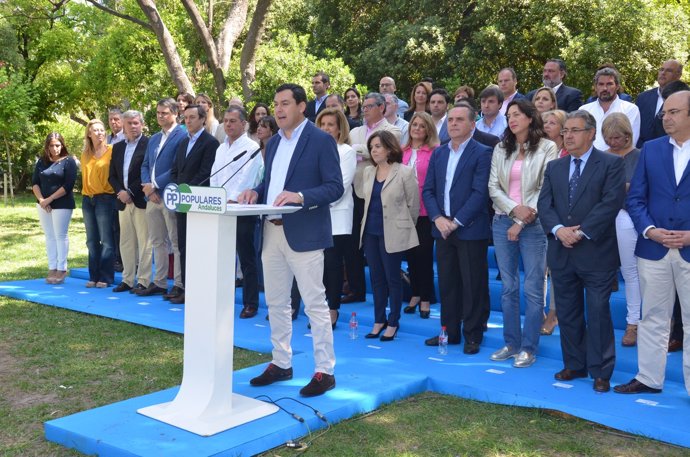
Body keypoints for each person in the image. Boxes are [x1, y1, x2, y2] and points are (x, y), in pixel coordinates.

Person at [238, 83, 343, 397]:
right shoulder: (273, 144)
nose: (278, 110)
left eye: (285, 103)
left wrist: (300, 197)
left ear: (301, 106)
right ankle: (281, 362)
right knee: (276, 303)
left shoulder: (321, 141)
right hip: (271, 231)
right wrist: (256, 192)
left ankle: (325, 371)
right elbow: (272, 183)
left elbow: (335, 187)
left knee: (314, 304)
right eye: (276, 104)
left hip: (305, 232)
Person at [537, 110, 625, 393]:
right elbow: (544, 206)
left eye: (575, 130)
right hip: (562, 251)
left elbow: (611, 203)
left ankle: (601, 371)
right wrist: (559, 229)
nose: (569, 136)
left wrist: (581, 231)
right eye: (566, 131)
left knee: (598, 312)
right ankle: (574, 364)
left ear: (591, 133)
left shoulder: (611, 164)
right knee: (568, 310)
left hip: (596, 251)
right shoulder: (555, 167)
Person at [615, 90, 690, 395]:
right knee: (653, 317)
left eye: (673, 112)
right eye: (665, 113)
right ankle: (648, 378)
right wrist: (649, 230)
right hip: (654, 247)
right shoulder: (652, 149)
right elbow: (635, 198)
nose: (665, 118)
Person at [488, 99, 558, 368]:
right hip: (502, 219)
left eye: (516, 114)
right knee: (508, 287)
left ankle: (529, 347)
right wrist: (514, 210)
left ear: (530, 117)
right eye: (508, 116)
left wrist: (523, 218)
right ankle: (511, 343)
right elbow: (493, 187)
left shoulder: (547, 147)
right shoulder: (500, 148)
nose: (511, 119)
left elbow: (545, 188)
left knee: (532, 287)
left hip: (535, 224)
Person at [422, 104, 492, 354]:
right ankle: (449, 332)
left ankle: (473, 335)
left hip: (469, 228)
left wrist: (456, 221)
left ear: (472, 124)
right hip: (442, 229)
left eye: (459, 120)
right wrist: (438, 218)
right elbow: (428, 190)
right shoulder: (439, 153)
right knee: (448, 282)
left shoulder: (483, 152)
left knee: (472, 283)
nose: (453, 124)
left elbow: (480, 192)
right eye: (450, 119)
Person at [360, 130, 419, 341]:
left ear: (389, 148)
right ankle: (378, 320)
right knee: (376, 279)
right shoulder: (368, 172)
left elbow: (413, 206)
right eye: (371, 147)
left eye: (377, 146)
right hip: (370, 232)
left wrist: (403, 228)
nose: (373, 150)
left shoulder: (404, 172)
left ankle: (393, 321)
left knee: (393, 279)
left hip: (393, 233)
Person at [346, 92, 403, 304]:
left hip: (380, 194)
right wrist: (361, 152)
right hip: (355, 191)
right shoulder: (355, 131)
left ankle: (389, 294)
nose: (365, 110)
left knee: (380, 249)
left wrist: (358, 150)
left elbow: (388, 151)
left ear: (382, 107)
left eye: (370, 106)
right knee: (353, 245)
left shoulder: (393, 130)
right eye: (365, 107)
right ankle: (355, 289)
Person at [210, 106, 263, 318]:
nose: (228, 124)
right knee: (221, 257)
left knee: (246, 258)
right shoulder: (221, 148)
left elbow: (247, 179)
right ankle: (221, 300)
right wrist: (215, 198)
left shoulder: (252, 147)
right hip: (219, 208)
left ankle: (251, 302)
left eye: (233, 121)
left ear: (244, 124)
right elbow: (214, 175)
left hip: (241, 210)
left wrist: (231, 198)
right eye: (226, 121)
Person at [169, 104, 220, 304]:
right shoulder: (183, 142)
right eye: (186, 117)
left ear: (202, 119)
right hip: (182, 204)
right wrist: (175, 189)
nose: (188, 121)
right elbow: (175, 171)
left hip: (198, 204)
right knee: (183, 246)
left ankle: (199, 291)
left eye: (192, 117)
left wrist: (186, 193)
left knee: (198, 249)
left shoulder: (210, 143)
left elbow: (205, 173)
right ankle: (186, 289)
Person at [601, 113, 641, 346]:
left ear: (628, 135)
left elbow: (642, 191)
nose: (614, 142)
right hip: (601, 222)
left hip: (629, 220)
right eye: (609, 138)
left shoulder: (640, 156)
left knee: (631, 273)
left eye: (618, 138)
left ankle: (633, 323)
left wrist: (620, 189)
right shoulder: (601, 157)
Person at [140, 98, 186, 298]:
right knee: (157, 241)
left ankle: (178, 283)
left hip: (170, 196)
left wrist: (156, 185)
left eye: (165, 113)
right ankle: (159, 282)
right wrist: (148, 188)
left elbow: (176, 168)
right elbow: (145, 165)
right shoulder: (154, 138)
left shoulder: (182, 135)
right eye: (158, 112)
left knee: (175, 241)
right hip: (151, 198)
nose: (160, 116)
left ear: (175, 113)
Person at [315, 108, 356, 327]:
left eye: (330, 124)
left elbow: (340, 185)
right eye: (322, 125)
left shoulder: (346, 151)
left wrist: (316, 201)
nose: (326, 129)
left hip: (336, 216)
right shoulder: (316, 150)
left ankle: (332, 308)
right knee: (317, 266)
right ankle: (319, 309)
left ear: (340, 129)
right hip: (316, 215)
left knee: (332, 265)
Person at [108, 110, 151, 294]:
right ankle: (127, 279)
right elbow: (112, 175)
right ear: (123, 126)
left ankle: (143, 281)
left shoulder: (148, 144)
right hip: (122, 202)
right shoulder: (117, 147)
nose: (133, 126)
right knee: (126, 242)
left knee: (144, 242)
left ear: (141, 124)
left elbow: (146, 171)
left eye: (136, 123)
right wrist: (120, 192)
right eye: (129, 123)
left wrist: (130, 192)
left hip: (140, 200)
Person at [402, 112, 440, 319]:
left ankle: (426, 297)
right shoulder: (402, 152)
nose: (416, 128)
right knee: (411, 257)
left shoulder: (435, 151)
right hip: (405, 212)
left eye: (421, 126)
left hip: (425, 211)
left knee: (424, 255)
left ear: (428, 130)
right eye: (414, 125)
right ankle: (414, 294)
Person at [32, 132, 77, 285]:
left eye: (58, 145)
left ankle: (61, 268)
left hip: (62, 204)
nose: (55, 148)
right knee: (49, 236)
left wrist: (50, 199)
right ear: (47, 146)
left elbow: (68, 185)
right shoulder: (41, 162)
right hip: (43, 204)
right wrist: (42, 200)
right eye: (51, 145)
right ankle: (52, 266)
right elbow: (35, 183)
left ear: (62, 145)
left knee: (60, 235)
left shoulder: (69, 161)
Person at [540, 109, 568, 335]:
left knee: (555, 269)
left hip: (560, 218)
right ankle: (538, 310)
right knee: (538, 268)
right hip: (537, 214)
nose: (547, 125)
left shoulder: (570, 153)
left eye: (552, 122)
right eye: (544, 122)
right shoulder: (536, 149)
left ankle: (553, 313)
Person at [81, 119, 117, 288]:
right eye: (95, 130)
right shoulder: (85, 154)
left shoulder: (112, 150)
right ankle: (93, 276)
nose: (99, 133)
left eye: (102, 130)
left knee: (107, 240)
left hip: (105, 198)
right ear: (89, 133)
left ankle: (105, 277)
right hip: (87, 199)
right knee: (91, 240)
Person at [580, 67, 640, 150]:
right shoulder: (584, 110)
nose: (604, 88)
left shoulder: (630, 109)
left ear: (617, 86)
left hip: (619, 160)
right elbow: (579, 139)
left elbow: (630, 142)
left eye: (609, 84)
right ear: (595, 87)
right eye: (601, 84)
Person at [635, 59, 683, 147]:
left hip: (669, 151)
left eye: (669, 70)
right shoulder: (642, 97)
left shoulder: (684, 99)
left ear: (678, 75)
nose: (663, 73)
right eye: (661, 69)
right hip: (641, 151)